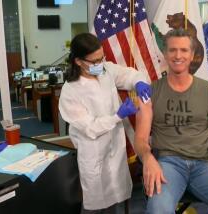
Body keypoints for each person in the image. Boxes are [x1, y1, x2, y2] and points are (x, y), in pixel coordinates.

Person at [134, 28, 208, 214]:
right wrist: (148, 159)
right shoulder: (151, 92)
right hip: (168, 165)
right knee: (158, 211)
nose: (177, 55)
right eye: (172, 50)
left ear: (193, 54)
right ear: (165, 53)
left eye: (184, 50)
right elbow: (140, 139)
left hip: (203, 164)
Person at [59, 33, 151, 214]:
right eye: (95, 61)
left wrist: (139, 82)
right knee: (93, 204)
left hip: (115, 149)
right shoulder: (71, 91)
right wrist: (117, 116)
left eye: (102, 58)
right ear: (78, 61)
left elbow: (129, 75)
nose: (100, 64)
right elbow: (90, 128)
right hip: (93, 152)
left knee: (113, 201)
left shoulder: (105, 71)